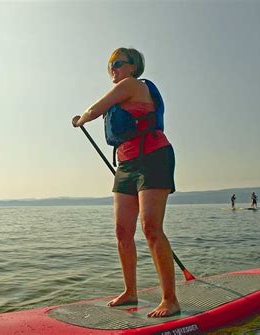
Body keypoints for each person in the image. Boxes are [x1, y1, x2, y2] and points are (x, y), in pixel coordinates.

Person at [72, 48, 180, 317]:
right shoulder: (123, 90)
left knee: (151, 228)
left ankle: (170, 299)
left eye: (118, 64)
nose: (113, 69)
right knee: (122, 232)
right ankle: (130, 291)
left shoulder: (132, 85)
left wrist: (80, 119)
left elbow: (95, 109)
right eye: (110, 65)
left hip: (153, 157)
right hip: (126, 164)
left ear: (133, 67)